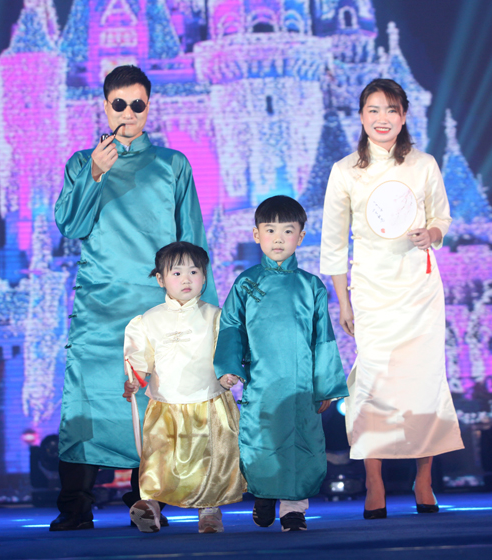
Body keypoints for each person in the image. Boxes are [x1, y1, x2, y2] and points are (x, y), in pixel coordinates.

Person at [51, 65, 218, 531]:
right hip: (99, 305)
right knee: (87, 401)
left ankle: (145, 503)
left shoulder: (172, 164)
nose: (128, 112)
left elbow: (192, 242)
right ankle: (75, 507)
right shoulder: (82, 163)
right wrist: (95, 173)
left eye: (137, 104)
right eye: (119, 104)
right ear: (105, 106)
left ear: (149, 107)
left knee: (152, 405)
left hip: (154, 306)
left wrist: (207, 315)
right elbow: (70, 226)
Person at [320, 78, 464, 519]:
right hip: (371, 290)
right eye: (374, 110)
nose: (382, 119)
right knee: (373, 383)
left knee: (423, 380)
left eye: (391, 110)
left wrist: (432, 233)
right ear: (361, 117)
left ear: (403, 117)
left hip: (419, 288)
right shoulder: (345, 170)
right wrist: (343, 302)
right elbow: (333, 244)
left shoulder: (423, 164)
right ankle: (375, 482)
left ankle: (424, 480)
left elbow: (443, 216)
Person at [214, 195, 349, 532]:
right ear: (256, 234)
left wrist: (325, 386)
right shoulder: (247, 282)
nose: (278, 238)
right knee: (262, 442)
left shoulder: (312, 286)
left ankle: (293, 510)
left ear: (300, 236)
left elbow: (323, 338)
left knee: (302, 445)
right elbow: (231, 326)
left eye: (287, 231)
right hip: (262, 382)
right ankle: (263, 494)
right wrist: (229, 366)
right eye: (270, 230)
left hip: (301, 386)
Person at [122, 242, 246, 534]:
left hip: (208, 400)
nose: (186, 279)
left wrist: (228, 373)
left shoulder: (215, 316)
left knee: (210, 458)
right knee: (159, 459)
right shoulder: (149, 320)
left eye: (194, 271)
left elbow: (228, 351)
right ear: (160, 279)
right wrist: (134, 380)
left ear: (204, 277)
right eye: (176, 273)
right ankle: (151, 506)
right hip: (165, 404)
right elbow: (140, 358)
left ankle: (210, 511)